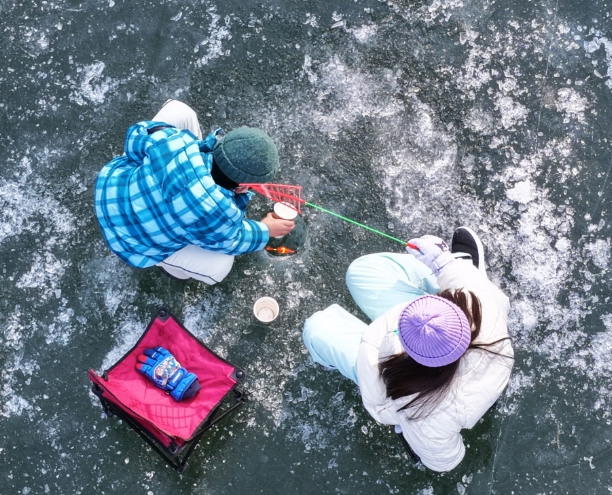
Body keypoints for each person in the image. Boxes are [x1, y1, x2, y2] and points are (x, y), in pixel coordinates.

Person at [302, 227, 514, 472]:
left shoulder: (424, 414)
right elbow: (475, 292)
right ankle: (458, 269)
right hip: (455, 370)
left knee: (316, 329)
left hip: (394, 384)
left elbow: (445, 461)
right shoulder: (481, 309)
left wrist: (415, 438)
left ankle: (398, 423)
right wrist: (443, 263)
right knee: (361, 271)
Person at [94, 100, 294, 284]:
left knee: (180, 111)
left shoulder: (175, 141)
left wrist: (160, 162)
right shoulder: (220, 212)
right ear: (242, 186)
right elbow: (233, 240)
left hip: (109, 189)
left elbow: (135, 137)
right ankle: (173, 270)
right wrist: (266, 230)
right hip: (130, 242)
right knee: (221, 266)